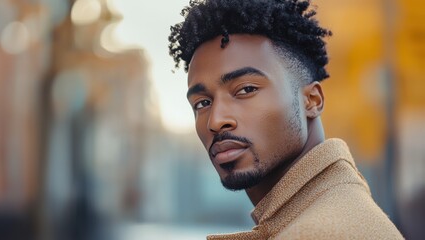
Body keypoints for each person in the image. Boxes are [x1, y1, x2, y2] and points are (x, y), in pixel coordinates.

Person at [168, 0, 404, 239]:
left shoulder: (319, 233)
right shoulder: (333, 211)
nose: (216, 121)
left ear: (312, 100)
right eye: (202, 103)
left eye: (246, 89)